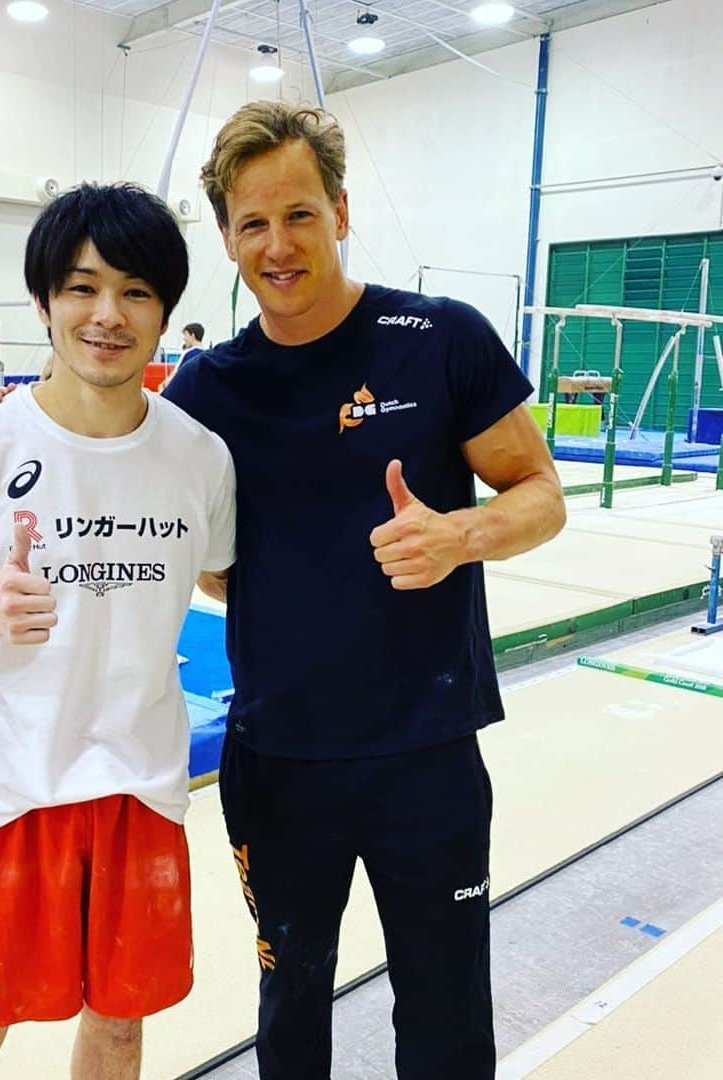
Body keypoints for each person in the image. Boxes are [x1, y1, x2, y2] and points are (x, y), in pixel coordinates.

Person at [160, 102, 567, 1079]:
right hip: (279, 761)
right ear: (225, 237)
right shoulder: (206, 390)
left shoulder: (438, 339)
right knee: (290, 1004)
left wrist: (459, 534)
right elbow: (178, 547)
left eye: (299, 214)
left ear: (341, 211)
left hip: (425, 754)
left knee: (446, 1009)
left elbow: (541, 495)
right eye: (252, 224)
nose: (279, 245)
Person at [0, 182, 236, 1080]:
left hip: (139, 789)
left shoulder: (200, 457)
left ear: (164, 312)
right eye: (82, 287)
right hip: (9, 792)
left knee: (120, 1031)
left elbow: (235, 581)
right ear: (44, 302)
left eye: (136, 292)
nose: (107, 314)